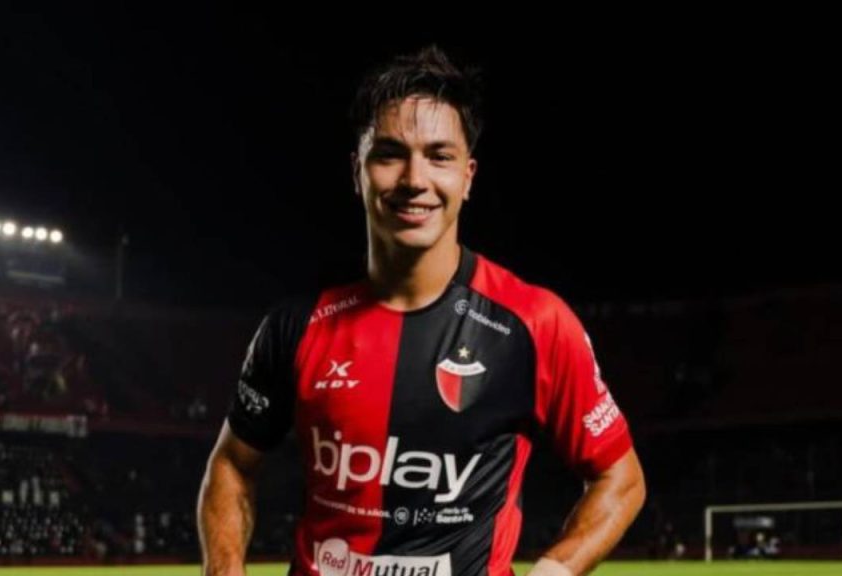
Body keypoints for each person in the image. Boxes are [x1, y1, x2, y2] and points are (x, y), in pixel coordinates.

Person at [198, 45, 645, 576]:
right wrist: (224, 569)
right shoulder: (294, 327)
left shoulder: (535, 324)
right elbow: (232, 464)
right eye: (389, 154)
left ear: (468, 176)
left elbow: (621, 479)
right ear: (358, 172)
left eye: (439, 156)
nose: (414, 179)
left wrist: (552, 572)